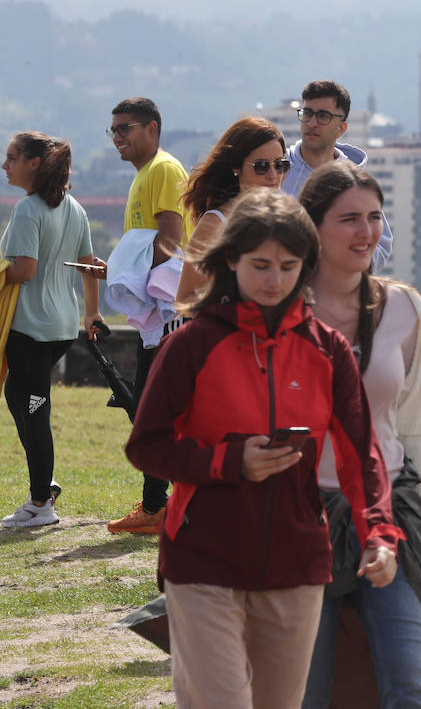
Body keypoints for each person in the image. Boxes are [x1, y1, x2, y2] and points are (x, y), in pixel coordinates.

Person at [125, 188, 401, 709]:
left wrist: (379, 534)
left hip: (296, 564)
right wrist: (228, 462)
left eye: (289, 266)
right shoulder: (190, 344)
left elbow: (360, 456)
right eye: (261, 265)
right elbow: (147, 446)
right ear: (231, 261)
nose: (275, 280)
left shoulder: (328, 349)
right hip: (202, 561)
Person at [299, 162, 421, 708]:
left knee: (413, 683)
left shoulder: (403, 308)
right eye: (349, 219)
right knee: (301, 692)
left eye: (375, 217)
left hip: (389, 514)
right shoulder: (279, 309)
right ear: (312, 227)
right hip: (298, 514)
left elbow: (413, 423)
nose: (366, 232)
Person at [0, 132, 102, 529]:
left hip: (32, 328)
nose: (5, 165)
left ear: (35, 163)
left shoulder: (28, 209)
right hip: (61, 326)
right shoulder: (74, 207)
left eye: (12, 157)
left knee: (34, 409)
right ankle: (45, 481)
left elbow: (24, 270)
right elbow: (90, 264)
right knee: (18, 395)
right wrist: (91, 312)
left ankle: (41, 503)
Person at [107, 97, 193, 534]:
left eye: (126, 128)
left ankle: (173, 502)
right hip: (157, 313)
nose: (118, 136)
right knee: (149, 409)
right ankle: (160, 503)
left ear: (152, 129)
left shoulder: (163, 168)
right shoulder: (146, 173)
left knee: (154, 409)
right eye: (114, 130)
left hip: (168, 312)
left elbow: (171, 237)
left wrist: (153, 299)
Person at [176, 117, 289, 305]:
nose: (273, 175)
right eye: (261, 166)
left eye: (280, 165)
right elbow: (185, 298)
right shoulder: (215, 224)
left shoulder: (285, 218)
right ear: (236, 167)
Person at [280, 80, 392, 270]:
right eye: (307, 113)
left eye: (323, 116)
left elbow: (381, 247)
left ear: (341, 128)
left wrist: (339, 267)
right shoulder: (276, 169)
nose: (312, 123)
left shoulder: (355, 181)